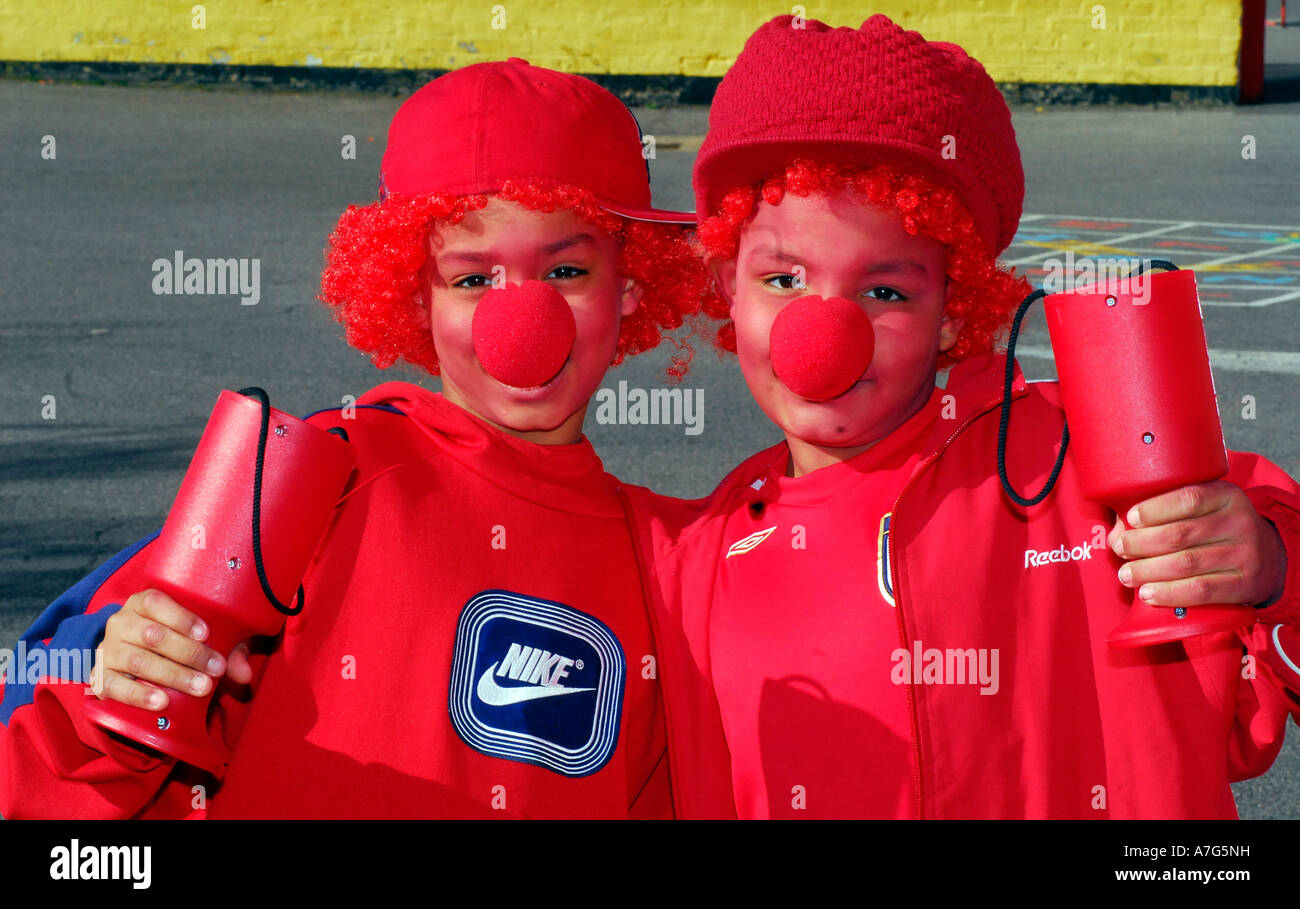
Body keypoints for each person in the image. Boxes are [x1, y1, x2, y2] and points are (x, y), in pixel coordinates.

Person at [0, 58, 722, 819]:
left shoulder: (666, 563)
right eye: (472, 280)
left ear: (632, 285)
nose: (522, 325)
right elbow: (50, 761)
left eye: (566, 269)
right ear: (415, 295)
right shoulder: (304, 477)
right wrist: (119, 682)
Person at [622, 14, 1300, 819]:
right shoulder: (703, 561)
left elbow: (1250, 687)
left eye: (886, 292)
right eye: (782, 279)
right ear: (727, 282)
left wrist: (1266, 565)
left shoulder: (1096, 467)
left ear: (953, 310)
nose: (824, 334)